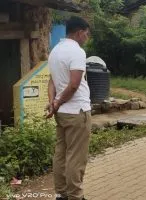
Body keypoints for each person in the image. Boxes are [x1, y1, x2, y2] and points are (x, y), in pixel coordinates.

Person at [46, 16, 91, 200]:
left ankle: (61, 194)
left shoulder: (55, 51)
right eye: (86, 34)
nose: (87, 38)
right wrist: (56, 103)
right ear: (79, 32)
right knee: (76, 157)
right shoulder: (77, 52)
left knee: (61, 154)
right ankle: (75, 196)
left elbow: (52, 81)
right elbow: (73, 85)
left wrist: (53, 102)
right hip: (77, 112)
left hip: (61, 113)